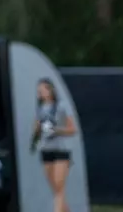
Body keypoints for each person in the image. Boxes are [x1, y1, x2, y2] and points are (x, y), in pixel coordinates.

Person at [31, 79, 78, 212]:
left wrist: (57, 130)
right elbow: (36, 130)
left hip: (61, 149)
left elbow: (72, 129)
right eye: (38, 90)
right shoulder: (40, 108)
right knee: (56, 189)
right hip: (46, 149)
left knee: (59, 186)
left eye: (43, 89)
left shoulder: (61, 106)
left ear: (51, 90)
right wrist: (38, 129)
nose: (40, 92)